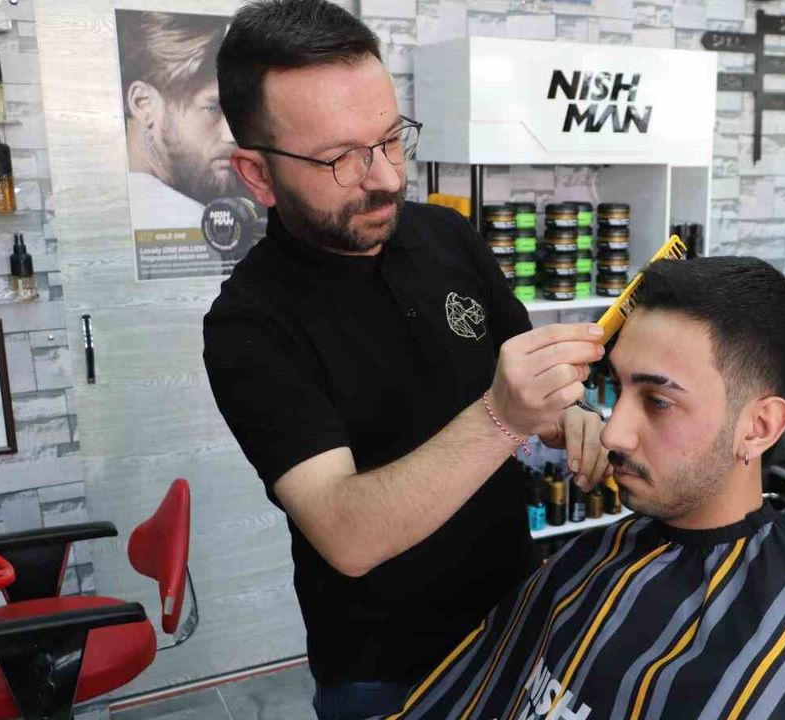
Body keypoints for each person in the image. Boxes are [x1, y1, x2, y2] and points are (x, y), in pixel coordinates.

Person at [202, 2, 612, 718]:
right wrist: (502, 416)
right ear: (257, 174)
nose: (386, 177)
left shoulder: (449, 237)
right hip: (383, 672)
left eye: (392, 139)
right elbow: (345, 532)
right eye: (340, 158)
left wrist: (569, 414)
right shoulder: (250, 325)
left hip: (518, 617)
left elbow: (527, 384)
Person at [383, 257, 785, 719]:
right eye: (616, 388)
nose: (612, 431)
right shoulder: (599, 557)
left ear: (758, 428)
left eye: (658, 401)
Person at [118, 10, 240, 230]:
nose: (232, 136)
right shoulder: (192, 222)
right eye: (212, 108)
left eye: (237, 111)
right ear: (144, 104)